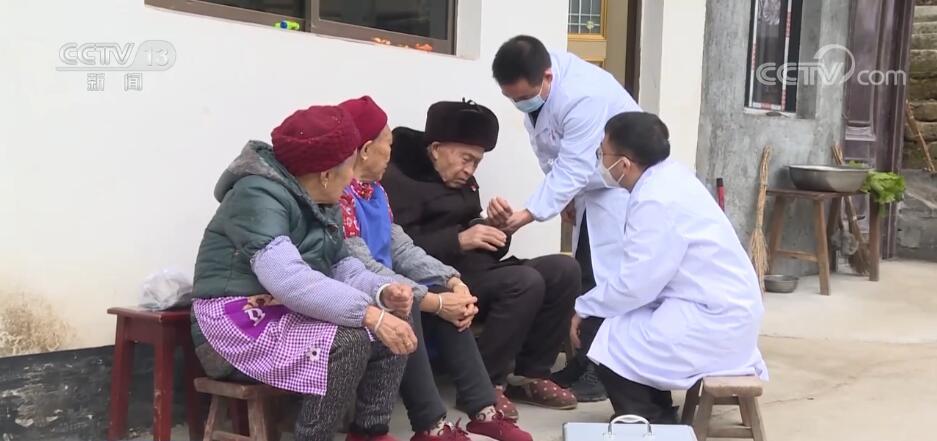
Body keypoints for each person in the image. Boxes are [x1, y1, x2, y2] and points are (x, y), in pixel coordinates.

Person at [190, 104, 419, 441]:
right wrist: (369, 314)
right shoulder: (256, 195)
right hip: (235, 322)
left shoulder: (323, 199)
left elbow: (342, 266)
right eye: (349, 166)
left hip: (284, 309)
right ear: (326, 173)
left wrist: (383, 292)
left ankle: (369, 432)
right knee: (350, 340)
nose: (352, 177)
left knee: (396, 320)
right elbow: (288, 279)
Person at [335, 96, 532, 441]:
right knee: (406, 304)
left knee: (439, 296)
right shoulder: (339, 197)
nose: (391, 153)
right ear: (365, 150)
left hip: (388, 287)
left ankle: (483, 410)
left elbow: (402, 248)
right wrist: (436, 302)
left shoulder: (374, 192)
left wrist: (452, 281)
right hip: (354, 292)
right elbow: (360, 265)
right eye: (388, 145)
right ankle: (431, 426)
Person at [382, 100, 580, 413]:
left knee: (564, 269)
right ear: (436, 148)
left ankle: (531, 375)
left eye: (477, 163)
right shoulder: (398, 180)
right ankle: (482, 385)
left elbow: (478, 236)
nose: (470, 170)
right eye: (467, 159)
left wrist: (496, 227)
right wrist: (458, 240)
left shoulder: (462, 181)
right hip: (438, 281)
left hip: (478, 271)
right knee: (523, 281)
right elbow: (395, 249)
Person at [572, 111, 769, 423]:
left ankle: (648, 417)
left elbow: (636, 285)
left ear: (624, 164)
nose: (600, 161)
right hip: (719, 311)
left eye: (602, 154)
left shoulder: (655, 199)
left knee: (594, 325)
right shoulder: (671, 177)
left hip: (712, 322)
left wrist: (583, 307)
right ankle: (657, 407)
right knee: (620, 321)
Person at [486, 35, 642, 402]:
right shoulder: (536, 92)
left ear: (547, 77)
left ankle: (604, 372)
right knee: (585, 275)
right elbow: (548, 151)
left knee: (605, 280)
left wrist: (529, 214)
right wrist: (565, 196)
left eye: (524, 97)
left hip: (618, 191)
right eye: (512, 98)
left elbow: (573, 165)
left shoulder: (582, 94)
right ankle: (583, 363)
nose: (520, 104)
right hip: (592, 188)